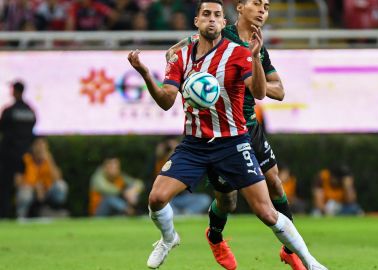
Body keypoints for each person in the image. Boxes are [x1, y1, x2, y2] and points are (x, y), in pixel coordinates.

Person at [127, 1, 327, 269]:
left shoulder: (240, 51)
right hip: (195, 144)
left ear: (224, 22)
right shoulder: (182, 56)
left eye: (217, 15)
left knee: (268, 206)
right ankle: (172, 238)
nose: (212, 19)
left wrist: (254, 57)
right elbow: (165, 101)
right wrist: (144, 73)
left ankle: (308, 262)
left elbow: (260, 92)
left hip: (234, 140)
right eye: (206, 14)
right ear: (196, 20)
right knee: (160, 199)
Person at [166, 1, 304, 269]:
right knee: (227, 200)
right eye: (256, 4)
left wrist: (250, 76)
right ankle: (215, 236)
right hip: (222, 132)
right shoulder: (219, 34)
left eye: (266, 6)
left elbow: (279, 90)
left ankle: (291, 250)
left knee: (274, 182)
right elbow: (175, 51)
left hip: (249, 126)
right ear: (240, 7)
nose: (262, 10)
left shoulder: (257, 46)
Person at [0, 80, 36, 219]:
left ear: (15, 91)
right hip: (25, 155)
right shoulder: (30, 111)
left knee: (6, 187)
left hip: (8, 155)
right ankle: (23, 215)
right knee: (25, 185)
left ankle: (5, 215)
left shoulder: (9, 111)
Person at [147, 139, 211, 215]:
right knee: (161, 202)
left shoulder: (187, 159)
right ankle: (177, 214)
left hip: (184, 197)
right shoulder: (157, 162)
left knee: (204, 199)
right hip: (169, 198)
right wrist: (164, 157)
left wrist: (176, 154)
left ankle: (186, 213)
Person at [15, 137, 68, 218]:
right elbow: (17, 182)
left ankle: (54, 211)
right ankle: (21, 217)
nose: (40, 148)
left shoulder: (49, 159)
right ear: (32, 146)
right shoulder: (25, 159)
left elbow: (58, 178)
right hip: (31, 191)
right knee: (24, 194)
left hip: (46, 190)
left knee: (61, 186)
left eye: (43, 145)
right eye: (38, 145)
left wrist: (49, 160)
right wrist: (35, 186)